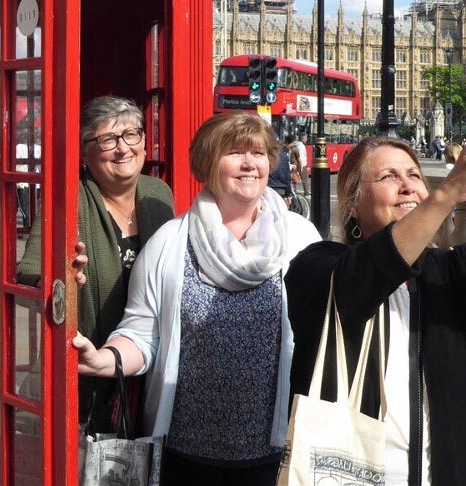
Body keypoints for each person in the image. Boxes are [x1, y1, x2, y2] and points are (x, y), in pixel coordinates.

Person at [285, 70, 466, 484]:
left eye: (414, 176)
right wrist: (450, 190)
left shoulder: (459, 275)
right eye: (388, 177)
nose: (407, 188)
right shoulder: (317, 267)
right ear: (352, 205)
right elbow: (361, 278)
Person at [73, 110, 321, 484]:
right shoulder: (169, 242)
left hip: (275, 451)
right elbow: (143, 334)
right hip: (185, 453)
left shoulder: (302, 239)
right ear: (208, 163)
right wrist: (103, 359)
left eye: (259, 153)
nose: (250, 163)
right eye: (235, 152)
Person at [17, 96, 175, 434]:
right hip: (87, 373)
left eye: (132, 134)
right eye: (107, 139)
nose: (123, 148)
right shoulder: (69, 198)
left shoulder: (159, 194)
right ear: (85, 152)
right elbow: (27, 277)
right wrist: (61, 279)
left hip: (150, 369)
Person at [267, 140, 293, 206]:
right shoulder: (285, 157)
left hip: (270, 188)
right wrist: (288, 193)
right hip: (282, 190)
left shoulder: (268, 156)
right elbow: (288, 176)